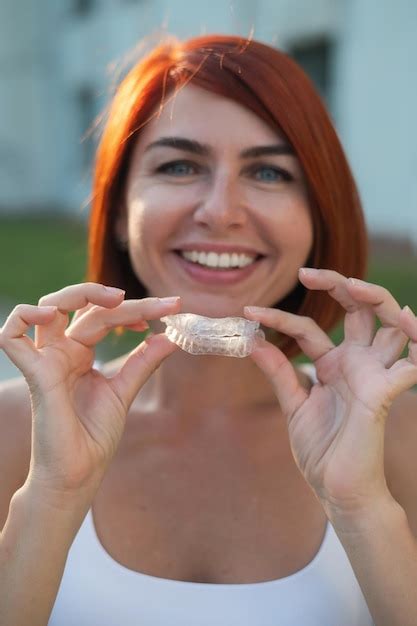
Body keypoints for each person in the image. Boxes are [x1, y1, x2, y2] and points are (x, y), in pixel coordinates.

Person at [0, 33, 416, 626]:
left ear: (317, 215)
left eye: (269, 172)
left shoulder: (398, 438)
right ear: (120, 209)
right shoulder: (16, 430)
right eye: (179, 165)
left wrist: (361, 509)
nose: (220, 210)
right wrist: (54, 495)